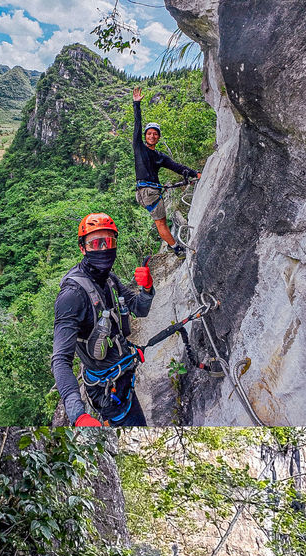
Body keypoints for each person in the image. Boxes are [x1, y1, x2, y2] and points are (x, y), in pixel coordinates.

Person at [51, 212, 155, 427]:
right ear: (83, 248)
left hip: (123, 373)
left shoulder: (108, 279)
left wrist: (147, 288)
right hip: (106, 388)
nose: (104, 249)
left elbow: (139, 309)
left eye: (109, 242)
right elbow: (60, 360)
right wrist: (77, 414)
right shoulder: (72, 296)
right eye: (95, 243)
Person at [132, 86, 200, 258]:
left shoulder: (160, 156)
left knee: (161, 221)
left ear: (158, 137)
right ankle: (176, 249)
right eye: (149, 134)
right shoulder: (139, 148)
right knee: (161, 223)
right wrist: (136, 105)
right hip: (148, 192)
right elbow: (137, 126)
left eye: (155, 134)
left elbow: (177, 167)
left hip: (151, 191)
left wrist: (194, 173)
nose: (152, 136)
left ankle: (173, 245)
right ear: (145, 136)